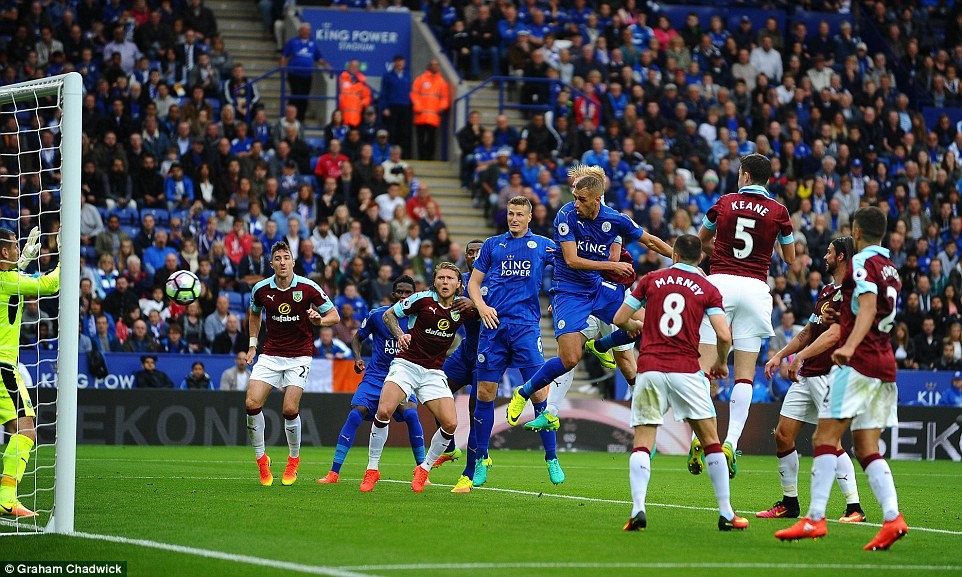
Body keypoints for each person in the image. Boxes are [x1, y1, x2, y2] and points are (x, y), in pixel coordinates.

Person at [775, 207, 909, 551]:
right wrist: (845, 314)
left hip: (858, 363)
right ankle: (893, 518)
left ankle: (815, 519)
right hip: (884, 365)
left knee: (825, 436)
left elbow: (866, 309)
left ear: (857, 232)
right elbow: (871, 307)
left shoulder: (862, 263)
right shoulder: (891, 269)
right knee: (866, 447)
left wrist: (849, 344)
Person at [504, 165, 672, 426]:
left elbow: (649, 241)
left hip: (598, 287)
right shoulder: (566, 215)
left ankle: (602, 345)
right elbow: (571, 260)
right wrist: (612, 266)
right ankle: (524, 393)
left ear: (597, 199)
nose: (576, 204)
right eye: (574, 197)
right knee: (570, 359)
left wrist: (682, 260)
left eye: (581, 199)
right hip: (570, 290)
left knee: (650, 323)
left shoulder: (615, 219)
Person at [613, 234, 749, 532]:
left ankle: (638, 509)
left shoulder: (651, 279)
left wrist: (638, 325)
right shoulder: (706, 287)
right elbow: (724, 336)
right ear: (700, 259)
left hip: (649, 368)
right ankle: (726, 513)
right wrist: (721, 362)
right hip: (686, 370)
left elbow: (620, 316)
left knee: (643, 442)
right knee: (711, 440)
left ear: (673, 254)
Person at [690, 153, 795, 479]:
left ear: (746, 176)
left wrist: (718, 248)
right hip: (755, 288)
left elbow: (700, 241)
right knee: (745, 376)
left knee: (704, 369)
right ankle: (731, 443)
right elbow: (790, 258)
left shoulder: (724, 202)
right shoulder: (779, 211)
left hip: (719, 284)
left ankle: (699, 438)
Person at [761, 237, 865, 523]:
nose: (826, 256)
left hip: (831, 373)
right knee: (782, 435)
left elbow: (834, 336)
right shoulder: (826, 292)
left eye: (830, 252)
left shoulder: (851, 293)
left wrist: (798, 358)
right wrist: (780, 355)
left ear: (842, 256)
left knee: (832, 441)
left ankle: (854, 507)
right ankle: (789, 502)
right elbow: (808, 331)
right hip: (808, 374)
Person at [466, 196, 564, 489]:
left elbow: (568, 266)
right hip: (493, 328)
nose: (514, 218)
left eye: (520, 214)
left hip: (525, 327)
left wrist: (560, 298)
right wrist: (481, 307)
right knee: (485, 393)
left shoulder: (543, 245)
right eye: (510, 213)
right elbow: (473, 283)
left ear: (530, 217)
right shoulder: (492, 245)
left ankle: (551, 457)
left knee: (538, 393)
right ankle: (482, 459)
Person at [360, 262, 475, 493]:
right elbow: (389, 315)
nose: (445, 282)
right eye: (441, 278)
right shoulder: (422, 299)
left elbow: (487, 315)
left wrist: (475, 304)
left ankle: (424, 468)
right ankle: (372, 469)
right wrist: (401, 334)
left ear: (459, 284)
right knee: (384, 411)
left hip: (433, 372)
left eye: (450, 278)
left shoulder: (463, 308)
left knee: (451, 424)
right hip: (406, 365)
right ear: (435, 281)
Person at [246, 241, 340, 487]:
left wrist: (319, 320)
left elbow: (334, 316)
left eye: (286, 257)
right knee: (251, 403)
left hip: (299, 355)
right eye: (278, 258)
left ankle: (293, 459)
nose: (282, 262)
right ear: (272, 264)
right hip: (271, 354)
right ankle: (261, 461)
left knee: (289, 409)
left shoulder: (308, 287)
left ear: (293, 262)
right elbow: (254, 313)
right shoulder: (260, 289)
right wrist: (253, 345)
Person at [317, 275, 426, 484]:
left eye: (408, 292)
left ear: (414, 295)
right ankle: (334, 472)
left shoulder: (419, 319)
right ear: (393, 294)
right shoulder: (378, 315)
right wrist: (357, 359)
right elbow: (357, 338)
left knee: (412, 415)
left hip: (403, 376)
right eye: (400, 292)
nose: (403, 296)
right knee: (355, 415)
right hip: (376, 376)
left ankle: (422, 471)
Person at [0, 227, 59, 517]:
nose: (18, 247)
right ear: (3, 252)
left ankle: (7, 497)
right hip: (3, 366)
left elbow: (13, 277)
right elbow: (50, 285)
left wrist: (22, 260)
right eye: (14, 245)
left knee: (17, 428)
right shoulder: (7, 281)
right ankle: (6, 497)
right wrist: (65, 256)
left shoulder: (7, 278)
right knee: (26, 428)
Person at [280, 23, 329, 121]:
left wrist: (328, 67)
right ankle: (290, 117)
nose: (306, 32)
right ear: (300, 31)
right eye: (304, 30)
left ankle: (300, 119)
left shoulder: (313, 44)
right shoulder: (293, 42)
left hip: (307, 75)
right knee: (296, 95)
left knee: (304, 97)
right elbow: (284, 56)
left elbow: (319, 58)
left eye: (308, 30)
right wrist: (282, 69)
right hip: (294, 74)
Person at [410, 59, 450, 160]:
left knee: (431, 140)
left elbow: (445, 98)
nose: (435, 67)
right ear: (429, 66)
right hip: (420, 115)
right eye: (433, 65)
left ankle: (429, 158)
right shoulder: (420, 79)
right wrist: (417, 106)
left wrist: (441, 107)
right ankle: (420, 157)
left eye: (437, 65)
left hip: (433, 116)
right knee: (420, 139)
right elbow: (414, 94)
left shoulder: (442, 82)